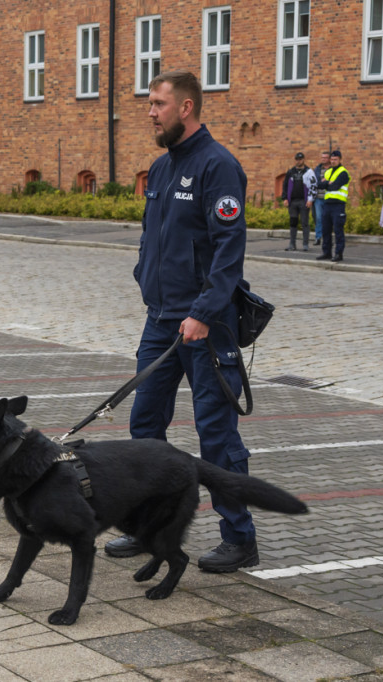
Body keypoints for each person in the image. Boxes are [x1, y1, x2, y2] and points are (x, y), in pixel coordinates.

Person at [102, 70, 257, 572]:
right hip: (161, 321)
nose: (149, 112)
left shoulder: (218, 167)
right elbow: (153, 239)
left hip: (206, 328)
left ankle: (239, 536)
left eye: (156, 104)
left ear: (185, 108)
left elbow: (229, 252)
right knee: (144, 426)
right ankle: (151, 529)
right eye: (149, 104)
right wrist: (144, 279)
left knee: (216, 436)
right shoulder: (162, 168)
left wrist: (205, 313)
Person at [315, 150, 350, 262]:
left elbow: (335, 187)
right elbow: (319, 185)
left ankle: (339, 254)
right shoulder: (328, 171)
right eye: (332, 159)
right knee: (326, 230)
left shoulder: (343, 172)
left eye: (335, 159)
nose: (333, 161)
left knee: (338, 230)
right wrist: (328, 183)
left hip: (338, 205)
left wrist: (328, 183)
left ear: (340, 159)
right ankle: (327, 252)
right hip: (327, 204)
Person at [280, 152, 315, 251]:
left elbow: (313, 186)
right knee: (293, 222)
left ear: (303, 159)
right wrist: (285, 198)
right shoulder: (291, 172)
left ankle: (305, 244)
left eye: (300, 159)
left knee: (305, 223)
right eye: (297, 159)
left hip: (304, 201)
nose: (298, 161)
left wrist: (310, 199)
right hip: (293, 202)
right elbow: (285, 185)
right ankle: (292, 244)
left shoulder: (309, 172)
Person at [312, 151, 329, 245]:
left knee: (328, 219)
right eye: (322, 157)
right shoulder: (317, 169)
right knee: (318, 218)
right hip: (318, 198)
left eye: (325, 158)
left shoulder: (332, 169)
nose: (323, 159)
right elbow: (314, 182)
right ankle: (318, 237)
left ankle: (327, 237)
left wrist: (326, 182)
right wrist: (323, 182)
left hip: (329, 197)